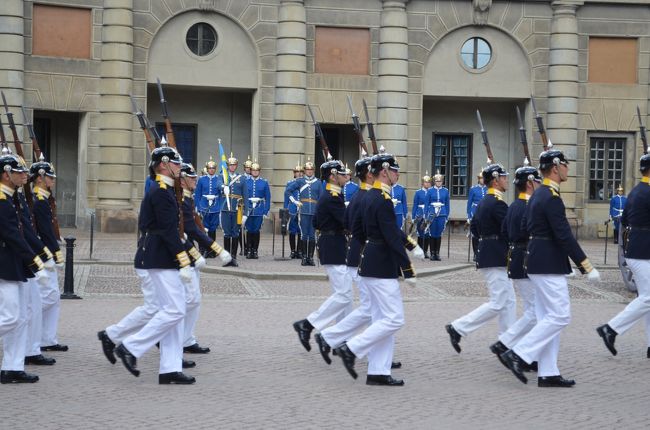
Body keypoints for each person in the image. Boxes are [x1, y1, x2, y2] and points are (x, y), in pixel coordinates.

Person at [501, 147, 601, 388]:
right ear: (556, 167)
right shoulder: (551, 198)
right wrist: (586, 265)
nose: (568, 169)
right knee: (560, 315)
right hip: (548, 262)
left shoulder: (538, 195)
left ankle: (548, 372)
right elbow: (564, 235)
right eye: (565, 164)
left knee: (548, 317)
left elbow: (526, 227)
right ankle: (519, 353)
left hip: (537, 260)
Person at [332, 150, 417, 386]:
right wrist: (407, 267)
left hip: (370, 261)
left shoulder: (370, 197)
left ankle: (378, 371)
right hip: (381, 265)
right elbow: (391, 236)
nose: (398, 174)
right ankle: (351, 348)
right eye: (395, 170)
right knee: (394, 319)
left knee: (381, 319)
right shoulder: (381, 200)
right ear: (385, 172)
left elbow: (357, 231)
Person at [112, 145, 196, 384]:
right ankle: (130, 347)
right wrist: (183, 260)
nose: (180, 168)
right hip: (160, 256)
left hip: (162, 255)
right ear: (163, 164)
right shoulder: (160, 192)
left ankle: (170, 368)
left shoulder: (167, 190)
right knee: (175, 310)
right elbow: (169, 231)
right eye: (177, 164)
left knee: (174, 312)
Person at [445, 163, 515, 353]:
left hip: (490, 253)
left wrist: (481, 252)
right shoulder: (497, 203)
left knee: (509, 301)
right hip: (495, 255)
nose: (506, 180)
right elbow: (510, 230)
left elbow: (475, 229)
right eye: (503, 177)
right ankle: (458, 327)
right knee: (499, 302)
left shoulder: (486, 201)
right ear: (495, 179)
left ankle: (506, 341)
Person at [292, 159, 352, 352]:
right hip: (334, 246)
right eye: (342, 174)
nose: (346, 177)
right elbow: (346, 222)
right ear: (333, 176)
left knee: (345, 296)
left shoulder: (328, 193)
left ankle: (342, 339)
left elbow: (317, 221)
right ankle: (308, 324)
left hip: (332, 244)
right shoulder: (333, 196)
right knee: (344, 294)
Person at [0, 150, 48, 384]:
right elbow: (11, 235)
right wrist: (34, 260)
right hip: (4, 265)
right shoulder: (2, 199)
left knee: (19, 318)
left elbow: (22, 231)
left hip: (13, 264)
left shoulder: (11, 197)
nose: (24, 176)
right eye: (19, 172)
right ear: (6, 174)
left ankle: (12, 367)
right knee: (9, 317)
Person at [596, 152, 650, 358]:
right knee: (648, 298)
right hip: (644, 251)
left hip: (636, 250)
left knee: (647, 298)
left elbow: (625, 219)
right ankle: (611, 329)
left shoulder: (636, 191)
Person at [489, 164, 542, 370]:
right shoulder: (529, 207)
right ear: (529, 183)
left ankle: (527, 354)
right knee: (534, 311)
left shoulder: (512, 206)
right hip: (526, 259)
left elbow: (504, 231)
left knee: (533, 309)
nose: (539, 184)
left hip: (516, 257)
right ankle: (508, 345)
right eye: (536, 181)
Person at [179, 162, 232, 353]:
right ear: (182, 179)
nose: (195, 180)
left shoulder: (187, 199)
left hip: (188, 253)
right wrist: (215, 250)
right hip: (178, 255)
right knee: (179, 303)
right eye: (191, 177)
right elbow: (184, 232)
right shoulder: (178, 199)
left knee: (193, 300)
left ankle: (186, 339)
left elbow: (191, 228)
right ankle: (168, 337)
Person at [16, 160, 57, 366]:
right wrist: (42, 254)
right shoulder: (26, 199)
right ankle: (30, 347)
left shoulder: (22, 198)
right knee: (22, 311)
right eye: (20, 172)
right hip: (21, 258)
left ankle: (34, 347)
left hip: (29, 255)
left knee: (34, 305)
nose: (25, 175)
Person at [29, 155, 68, 353]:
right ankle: (31, 330)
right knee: (48, 297)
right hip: (43, 254)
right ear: (40, 178)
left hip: (46, 253)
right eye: (50, 177)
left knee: (54, 298)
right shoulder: (39, 201)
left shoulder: (43, 199)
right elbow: (44, 232)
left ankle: (47, 339)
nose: (53, 180)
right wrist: (53, 254)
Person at [286, 158, 323, 266]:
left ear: (314, 171)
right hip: (303, 210)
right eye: (307, 169)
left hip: (314, 211)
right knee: (303, 235)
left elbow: (321, 198)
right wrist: (295, 201)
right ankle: (304, 257)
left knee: (312, 235)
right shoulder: (300, 181)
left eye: (311, 170)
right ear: (305, 171)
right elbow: (288, 191)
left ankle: (310, 258)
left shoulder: (319, 183)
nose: (309, 171)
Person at [220, 153, 248, 267]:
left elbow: (245, 196)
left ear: (236, 166)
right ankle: (227, 258)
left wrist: (246, 213)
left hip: (238, 209)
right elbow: (217, 184)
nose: (232, 167)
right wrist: (223, 186)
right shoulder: (222, 177)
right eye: (230, 165)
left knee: (235, 233)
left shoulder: (242, 179)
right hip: (225, 209)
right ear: (227, 166)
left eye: (234, 165)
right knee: (227, 234)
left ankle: (234, 258)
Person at [194, 157, 222, 257]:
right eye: (210, 168)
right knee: (203, 229)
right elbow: (198, 194)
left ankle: (212, 250)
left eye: (213, 168)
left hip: (214, 207)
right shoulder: (202, 180)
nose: (211, 170)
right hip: (204, 206)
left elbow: (221, 194)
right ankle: (204, 249)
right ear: (207, 169)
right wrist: (197, 207)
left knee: (213, 230)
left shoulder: (219, 179)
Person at [244, 160, 271, 259]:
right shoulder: (246, 181)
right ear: (250, 171)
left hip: (259, 209)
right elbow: (243, 196)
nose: (255, 172)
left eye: (257, 170)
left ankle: (255, 250)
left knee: (256, 230)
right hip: (249, 208)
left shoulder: (264, 182)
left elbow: (268, 198)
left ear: (259, 171)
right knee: (249, 230)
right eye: (253, 170)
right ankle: (249, 250)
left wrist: (266, 210)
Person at [426, 171, 450, 261]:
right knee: (432, 233)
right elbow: (427, 203)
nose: (438, 183)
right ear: (434, 182)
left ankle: (437, 253)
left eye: (440, 181)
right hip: (432, 213)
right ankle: (432, 253)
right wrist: (426, 215)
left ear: (442, 182)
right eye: (437, 181)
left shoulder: (445, 191)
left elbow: (447, 204)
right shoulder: (430, 190)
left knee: (439, 233)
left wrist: (447, 215)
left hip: (442, 213)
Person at [284, 163, 303, 259]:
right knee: (292, 230)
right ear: (294, 173)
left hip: (302, 208)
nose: (299, 174)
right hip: (292, 209)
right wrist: (285, 210)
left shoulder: (305, 183)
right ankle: (292, 251)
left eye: (300, 172)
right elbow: (286, 197)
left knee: (300, 231)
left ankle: (299, 251)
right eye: (297, 172)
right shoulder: (290, 183)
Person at [467, 173, 487, 260]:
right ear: (478, 179)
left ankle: (482, 253)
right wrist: (468, 215)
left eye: (483, 178)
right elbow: (469, 203)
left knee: (484, 234)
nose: (482, 180)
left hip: (486, 213)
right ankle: (475, 253)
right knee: (475, 235)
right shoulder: (473, 189)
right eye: (481, 178)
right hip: (475, 212)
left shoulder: (488, 189)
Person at [412, 171, 432, 258]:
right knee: (420, 233)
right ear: (422, 183)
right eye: (425, 182)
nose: (427, 184)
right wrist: (413, 216)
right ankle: (420, 250)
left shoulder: (432, 192)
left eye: (428, 182)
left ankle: (425, 251)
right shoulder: (418, 192)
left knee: (427, 233)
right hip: (420, 213)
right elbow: (415, 205)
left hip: (428, 213)